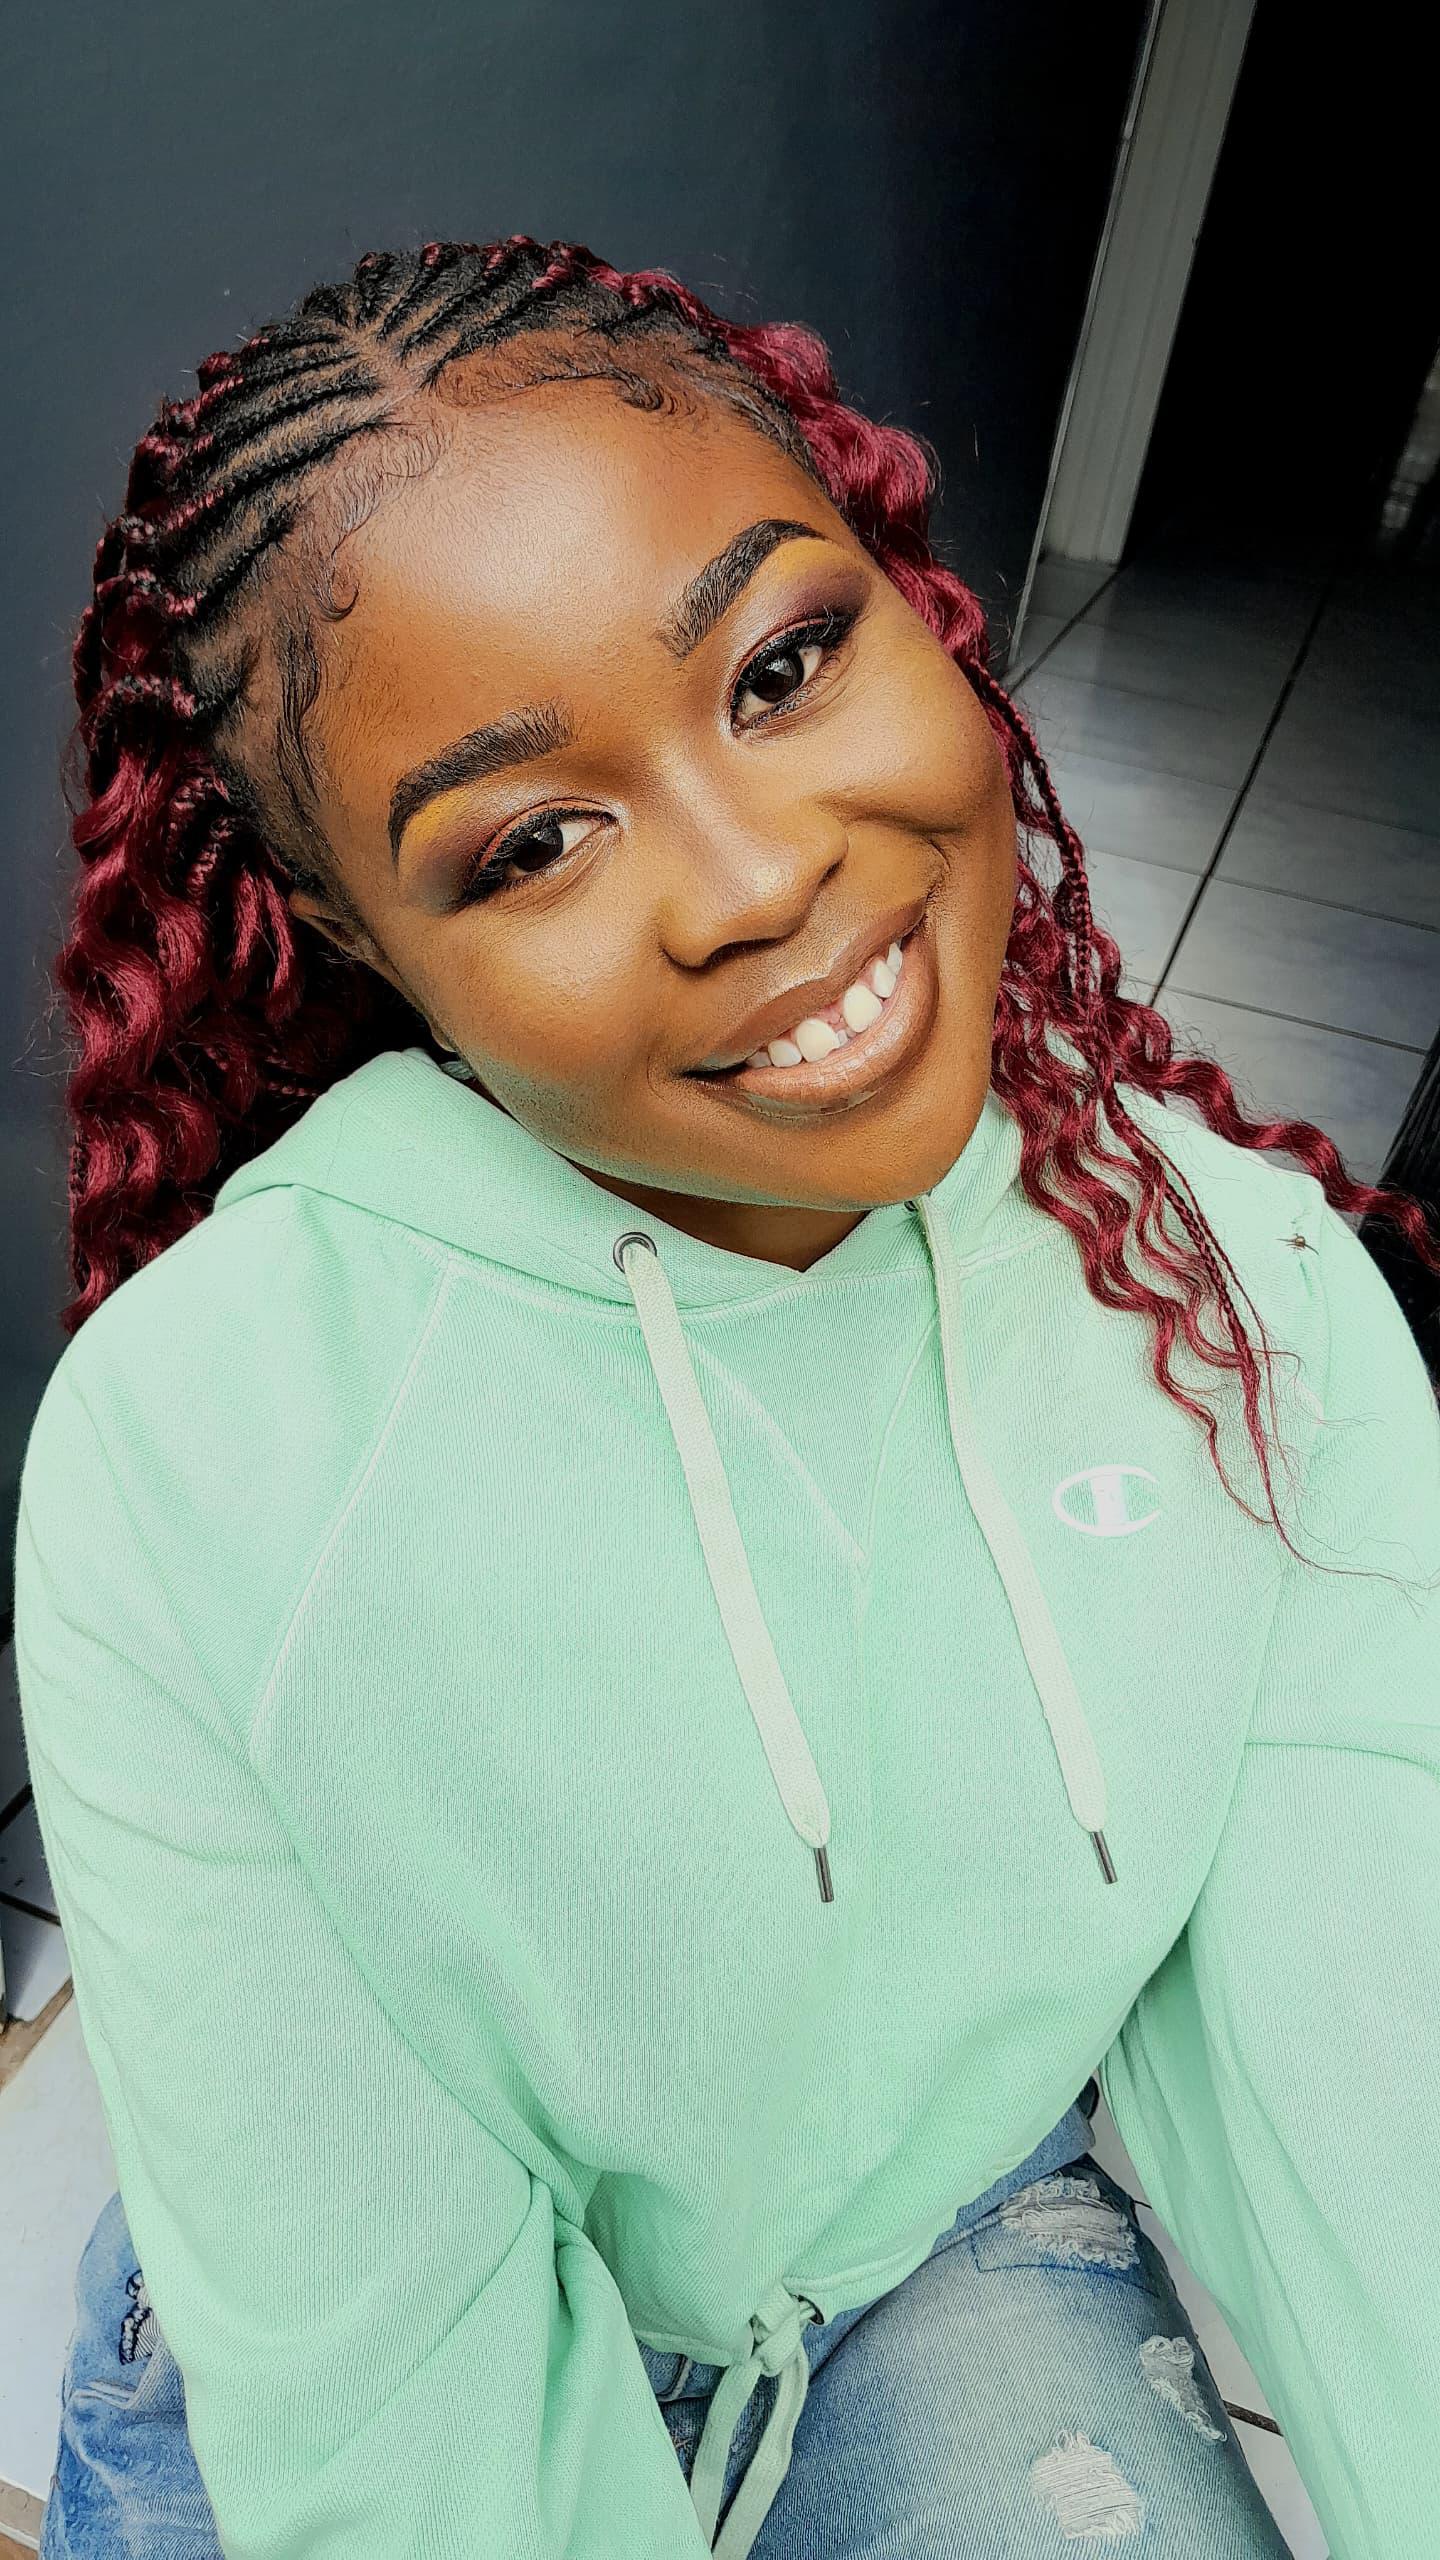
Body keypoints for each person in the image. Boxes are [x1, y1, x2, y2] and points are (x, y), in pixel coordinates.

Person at [12, 235, 1440, 2560]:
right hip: (364, 2346)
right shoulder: (197, 1463)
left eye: (782, 664)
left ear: (903, 593)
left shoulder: (1248, 1298)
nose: (762, 875)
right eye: (531, 840)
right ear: (361, 932)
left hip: (926, 2241)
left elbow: (1390, 2119)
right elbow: (400, 2420)